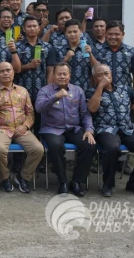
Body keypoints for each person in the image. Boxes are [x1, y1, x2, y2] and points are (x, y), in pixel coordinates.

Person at [86, 64, 134, 197]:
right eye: (100, 75)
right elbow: (92, 109)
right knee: (112, 148)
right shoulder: (91, 91)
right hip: (106, 129)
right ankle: (108, 185)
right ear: (94, 79)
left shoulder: (125, 89)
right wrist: (100, 87)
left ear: (111, 75)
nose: (104, 77)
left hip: (127, 128)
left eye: (106, 73)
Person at [35, 63, 96, 196]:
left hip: (73, 128)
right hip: (52, 129)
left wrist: (89, 130)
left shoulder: (77, 91)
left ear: (70, 76)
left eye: (65, 74)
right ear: (53, 75)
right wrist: (55, 97)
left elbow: (85, 113)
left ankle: (76, 182)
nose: (62, 76)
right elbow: (39, 108)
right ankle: (62, 181)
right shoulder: (45, 91)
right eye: (59, 74)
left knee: (89, 145)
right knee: (55, 146)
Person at [0, 62, 44, 194]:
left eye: (8, 70)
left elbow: (30, 113)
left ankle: (23, 177)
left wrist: (25, 126)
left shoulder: (23, 91)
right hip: (1, 129)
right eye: (2, 71)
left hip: (21, 129)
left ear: (13, 72)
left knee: (38, 149)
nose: (6, 73)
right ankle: (5, 177)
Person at [16, 16, 57, 133]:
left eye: (35, 26)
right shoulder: (18, 47)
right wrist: (29, 65)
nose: (32, 29)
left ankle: (41, 149)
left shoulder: (48, 47)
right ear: (24, 29)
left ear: (39, 28)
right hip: (22, 93)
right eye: (29, 26)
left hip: (41, 93)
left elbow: (51, 70)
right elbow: (14, 70)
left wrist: (49, 90)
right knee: (22, 126)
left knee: (41, 126)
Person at [93, 21, 134, 89]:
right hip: (103, 94)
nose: (113, 37)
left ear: (123, 34)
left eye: (117, 34)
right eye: (110, 34)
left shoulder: (132, 51)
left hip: (124, 94)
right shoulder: (97, 50)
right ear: (106, 34)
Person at [55, 19, 98, 91]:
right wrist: (66, 59)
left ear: (81, 32)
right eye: (69, 32)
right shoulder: (58, 49)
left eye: (75, 31)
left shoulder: (89, 47)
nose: (72, 34)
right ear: (65, 33)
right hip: (64, 91)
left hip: (85, 90)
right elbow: (54, 72)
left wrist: (90, 54)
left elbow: (97, 69)